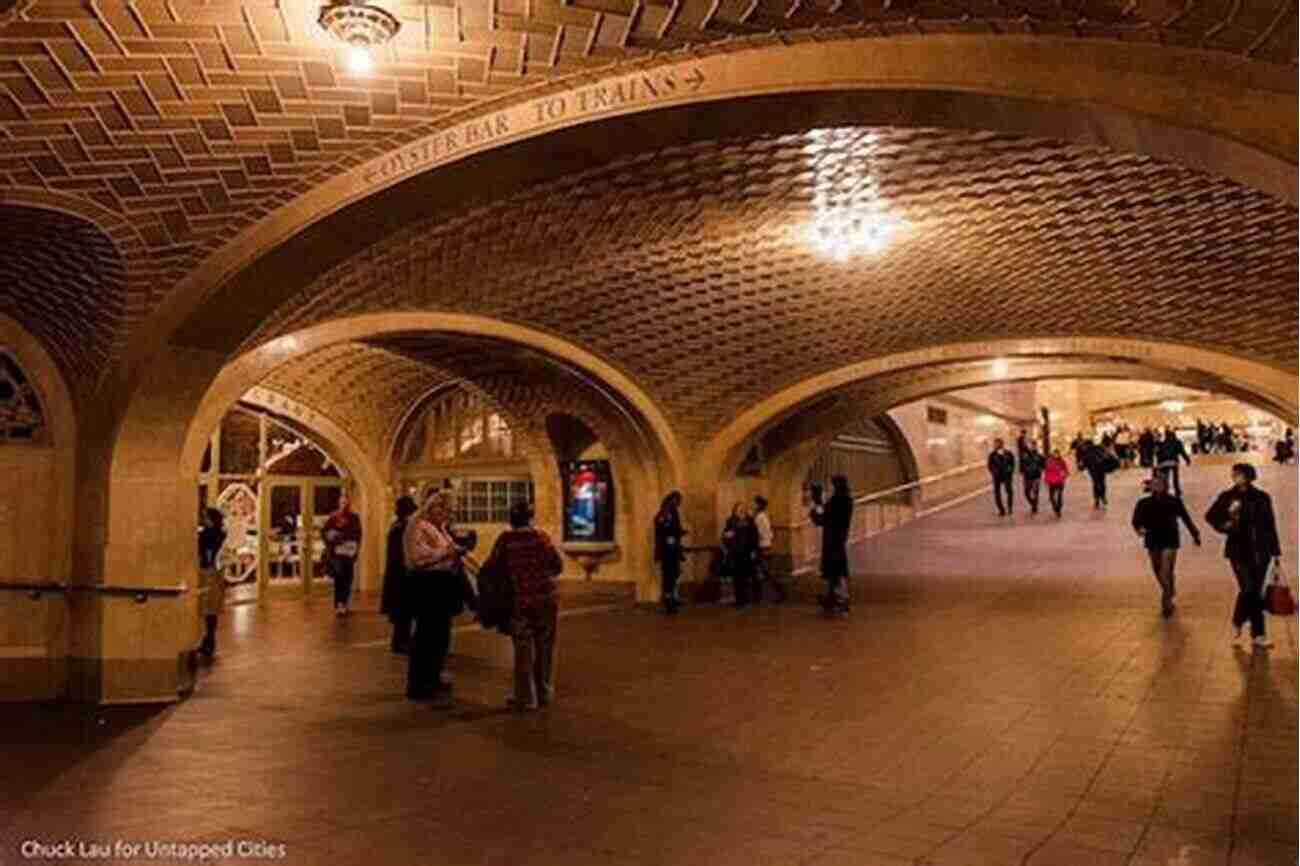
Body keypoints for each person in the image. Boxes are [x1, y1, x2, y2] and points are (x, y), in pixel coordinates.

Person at [478, 500, 564, 711]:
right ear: (529, 517)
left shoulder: (506, 541)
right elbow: (557, 565)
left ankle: (526, 697)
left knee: (523, 650)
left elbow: (492, 568)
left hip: (519, 601)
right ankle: (544, 691)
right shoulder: (542, 538)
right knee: (545, 647)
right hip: (546, 600)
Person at [402, 493, 472, 700]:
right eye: (447, 511)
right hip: (427, 586)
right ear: (434, 508)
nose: (449, 517)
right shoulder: (418, 526)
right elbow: (417, 558)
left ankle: (433, 677)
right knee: (426, 636)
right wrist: (447, 553)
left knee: (440, 636)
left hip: (442, 586)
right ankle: (419, 684)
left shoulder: (438, 528)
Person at [1205, 464, 1282, 649]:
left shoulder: (1262, 498)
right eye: (1235, 474)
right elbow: (1211, 516)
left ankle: (1242, 624)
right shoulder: (1227, 497)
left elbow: (1270, 524)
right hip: (1238, 551)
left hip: (1261, 551)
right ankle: (1258, 632)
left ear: (1248, 477)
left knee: (1253, 591)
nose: (1235, 477)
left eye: (1239, 474)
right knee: (1249, 589)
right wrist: (1225, 526)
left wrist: (1275, 551)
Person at [1131, 475, 1201, 617]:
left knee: (1166, 569)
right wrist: (1139, 529)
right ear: (1151, 487)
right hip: (1152, 539)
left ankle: (1166, 599)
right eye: (1155, 484)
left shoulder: (1174, 501)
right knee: (1157, 569)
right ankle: (1169, 588)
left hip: (1170, 538)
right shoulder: (1143, 503)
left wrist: (1195, 533)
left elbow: (1185, 517)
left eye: (1161, 484)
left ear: (1166, 485)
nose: (1158, 487)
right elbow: (1136, 520)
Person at [380, 496, 418, 654]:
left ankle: (401, 641)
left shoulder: (396, 526)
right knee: (403, 611)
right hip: (401, 575)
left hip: (396, 575)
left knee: (402, 612)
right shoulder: (402, 528)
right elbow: (402, 554)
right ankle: (400, 643)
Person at [810, 475, 853, 615]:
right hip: (839, 540)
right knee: (837, 571)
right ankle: (833, 599)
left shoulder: (836, 501)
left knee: (834, 572)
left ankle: (839, 600)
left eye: (832, 485)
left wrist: (816, 506)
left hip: (832, 541)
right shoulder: (847, 500)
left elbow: (823, 519)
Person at [322, 493, 362, 616]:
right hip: (337, 554)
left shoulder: (354, 518)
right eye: (342, 502)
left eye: (346, 503)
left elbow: (358, 535)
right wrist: (333, 537)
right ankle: (339, 605)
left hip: (349, 553)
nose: (344, 505)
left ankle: (344, 604)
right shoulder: (333, 517)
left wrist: (356, 550)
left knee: (348, 579)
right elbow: (325, 533)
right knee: (339, 580)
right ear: (339, 503)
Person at [196, 508, 227, 658]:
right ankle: (210, 640)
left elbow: (204, 554)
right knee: (212, 611)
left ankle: (206, 642)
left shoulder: (206, 535)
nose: (203, 520)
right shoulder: (221, 534)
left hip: (207, 573)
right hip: (218, 574)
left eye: (205, 517)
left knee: (205, 607)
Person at [654, 492, 687, 614]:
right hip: (668, 550)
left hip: (672, 549)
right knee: (669, 576)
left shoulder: (670, 511)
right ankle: (669, 600)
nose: (679, 503)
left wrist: (679, 532)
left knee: (673, 574)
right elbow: (664, 529)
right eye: (678, 500)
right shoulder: (667, 512)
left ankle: (671, 598)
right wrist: (675, 534)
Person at [721, 503, 759, 607]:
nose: (742, 511)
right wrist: (727, 537)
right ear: (735, 510)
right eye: (739, 509)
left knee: (746, 577)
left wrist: (754, 550)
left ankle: (746, 599)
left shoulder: (750, 521)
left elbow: (754, 536)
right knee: (737, 577)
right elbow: (725, 534)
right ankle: (739, 600)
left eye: (743, 509)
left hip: (747, 552)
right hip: (735, 553)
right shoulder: (731, 521)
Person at [752, 496, 783, 602]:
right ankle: (759, 595)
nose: (754, 506)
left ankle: (779, 591)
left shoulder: (760, 517)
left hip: (761, 546)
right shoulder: (764, 516)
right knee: (761, 570)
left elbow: (759, 532)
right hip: (766, 545)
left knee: (765, 571)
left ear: (759, 505)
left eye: (755, 503)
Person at [1155, 428, 1191, 499]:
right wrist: (1187, 460)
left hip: (1164, 462)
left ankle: (1165, 490)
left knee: (1165, 477)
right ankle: (1177, 490)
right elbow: (1182, 452)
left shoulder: (1163, 443)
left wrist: (1158, 464)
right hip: (1174, 461)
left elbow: (1159, 453)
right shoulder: (1177, 442)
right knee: (1175, 477)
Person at [987, 438, 1016, 517]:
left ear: (1002, 444)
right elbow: (989, 465)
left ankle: (1010, 507)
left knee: (1009, 491)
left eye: (998, 443)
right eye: (995, 443)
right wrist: (994, 472)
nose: (996, 445)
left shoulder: (1008, 453)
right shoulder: (992, 454)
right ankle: (1001, 509)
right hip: (997, 476)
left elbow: (1013, 464)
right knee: (997, 493)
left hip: (1007, 475)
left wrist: (1010, 471)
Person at [1081, 439, 1111, 508]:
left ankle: (1097, 499)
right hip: (1101, 469)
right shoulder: (1099, 448)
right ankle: (1103, 497)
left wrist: (1082, 467)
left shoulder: (1087, 451)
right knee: (1102, 483)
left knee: (1096, 484)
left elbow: (1085, 462)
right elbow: (1106, 455)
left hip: (1093, 471)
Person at [1020, 440, 1046, 515]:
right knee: (1026, 492)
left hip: (1036, 476)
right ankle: (1033, 503)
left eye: (1034, 445)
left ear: (1036, 446)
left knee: (1035, 492)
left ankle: (1034, 507)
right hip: (1027, 476)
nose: (1033, 447)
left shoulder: (1039, 455)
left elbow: (1044, 465)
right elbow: (1022, 464)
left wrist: (1040, 469)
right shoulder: (1025, 455)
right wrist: (1023, 470)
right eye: (1031, 445)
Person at [1043, 449, 1070, 518]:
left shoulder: (1062, 461)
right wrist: (1046, 480)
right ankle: (1056, 508)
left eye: (1057, 454)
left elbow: (1066, 470)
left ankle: (1059, 509)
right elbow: (1046, 471)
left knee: (1059, 496)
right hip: (1052, 482)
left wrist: (1064, 475)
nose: (1056, 455)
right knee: (1051, 497)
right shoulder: (1049, 461)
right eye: (1054, 454)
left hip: (1060, 481)